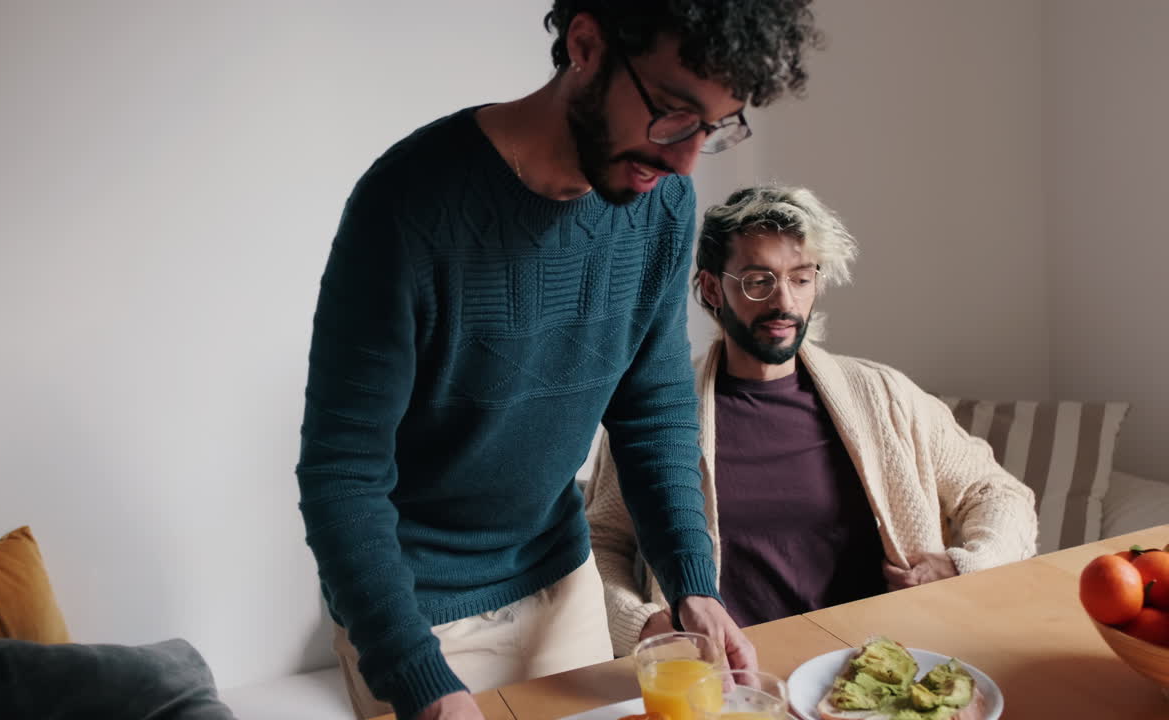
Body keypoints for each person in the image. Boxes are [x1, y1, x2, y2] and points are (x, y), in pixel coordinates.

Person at [295, 4, 822, 719]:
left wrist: (692, 584)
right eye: (672, 113)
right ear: (586, 44)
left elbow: (652, 412)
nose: (685, 159)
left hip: (563, 580)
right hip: (419, 614)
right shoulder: (408, 205)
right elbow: (342, 473)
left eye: (713, 127)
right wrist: (421, 680)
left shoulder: (662, 204)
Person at [585, 184, 1039, 657]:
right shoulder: (660, 416)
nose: (784, 301)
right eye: (758, 280)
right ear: (713, 288)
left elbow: (998, 493)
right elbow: (602, 540)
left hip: (881, 669)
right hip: (732, 677)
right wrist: (644, 624)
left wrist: (968, 565)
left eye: (801, 279)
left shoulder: (883, 395)